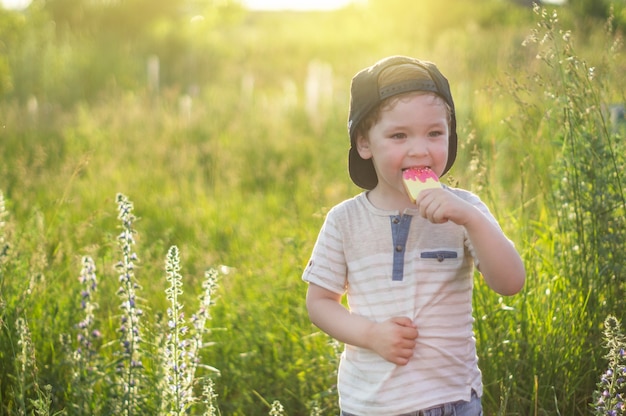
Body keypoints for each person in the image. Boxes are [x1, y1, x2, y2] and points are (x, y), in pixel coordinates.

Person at [302, 55, 526, 416]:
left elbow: (511, 282)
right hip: (372, 405)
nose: (420, 149)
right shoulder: (345, 220)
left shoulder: (465, 210)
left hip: (454, 401)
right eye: (399, 135)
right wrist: (371, 335)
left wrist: (471, 220)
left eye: (434, 133)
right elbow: (320, 303)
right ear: (365, 143)